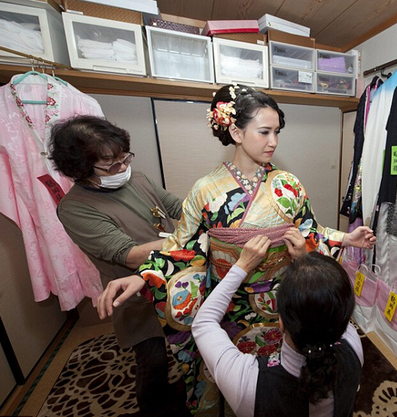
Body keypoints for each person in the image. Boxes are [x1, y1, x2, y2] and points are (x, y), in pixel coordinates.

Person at [97, 84, 375, 414]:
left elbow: (308, 230)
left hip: (282, 303)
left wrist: (346, 238)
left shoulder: (289, 184)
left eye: (277, 132)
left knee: (292, 380)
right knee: (238, 378)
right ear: (236, 131)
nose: (273, 141)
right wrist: (144, 278)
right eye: (264, 132)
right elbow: (183, 247)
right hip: (231, 303)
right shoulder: (205, 190)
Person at [49, 115, 189, 417]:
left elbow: (178, 207)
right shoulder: (74, 208)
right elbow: (130, 254)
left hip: (176, 278)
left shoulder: (137, 179)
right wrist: (185, 239)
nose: (122, 169)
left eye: (125, 158)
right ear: (81, 170)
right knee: (152, 361)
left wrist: (211, 205)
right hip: (133, 294)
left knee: (191, 344)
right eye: (111, 165)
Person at [194, 240, 363, 417]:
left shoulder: (249, 385)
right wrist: (307, 265)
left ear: (280, 321)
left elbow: (203, 322)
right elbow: (329, 302)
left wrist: (241, 265)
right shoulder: (354, 348)